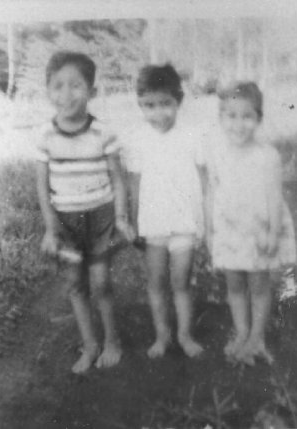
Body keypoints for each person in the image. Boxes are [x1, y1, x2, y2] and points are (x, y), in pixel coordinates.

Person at [35, 51, 134, 373]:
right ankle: (90, 345)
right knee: (75, 283)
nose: (67, 95)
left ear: (91, 91)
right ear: (48, 91)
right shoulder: (44, 136)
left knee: (102, 282)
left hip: (101, 216)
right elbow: (42, 187)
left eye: (76, 85)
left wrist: (120, 217)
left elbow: (118, 179)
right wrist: (51, 229)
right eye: (58, 86)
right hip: (66, 222)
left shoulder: (103, 133)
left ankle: (113, 341)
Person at [201, 81, 297, 366]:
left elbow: (274, 198)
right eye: (231, 116)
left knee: (258, 284)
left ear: (258, 119)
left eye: (247, 117)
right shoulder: (217, 152)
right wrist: (208, 229)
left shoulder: (266, 156)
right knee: (234, 283)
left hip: (258, 230)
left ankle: (257, 336)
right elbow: (211, 192)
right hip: (228, 229)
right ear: (221, 118)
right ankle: (241, 331)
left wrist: (271, 232)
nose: (238, 124)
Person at [127, 64, 205, 359]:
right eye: (149, 106)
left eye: (165, 104)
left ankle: (185, 335)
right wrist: (134, 221)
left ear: (178, 101)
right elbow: (134, 182)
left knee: (181, 281)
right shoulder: (137, 139)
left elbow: (203, 178)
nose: (158, 113)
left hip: (185, 221)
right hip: (153, 222)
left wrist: (203, 220)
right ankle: (162, 335)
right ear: (140, 105)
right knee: (156, 281)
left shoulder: (193, 135)